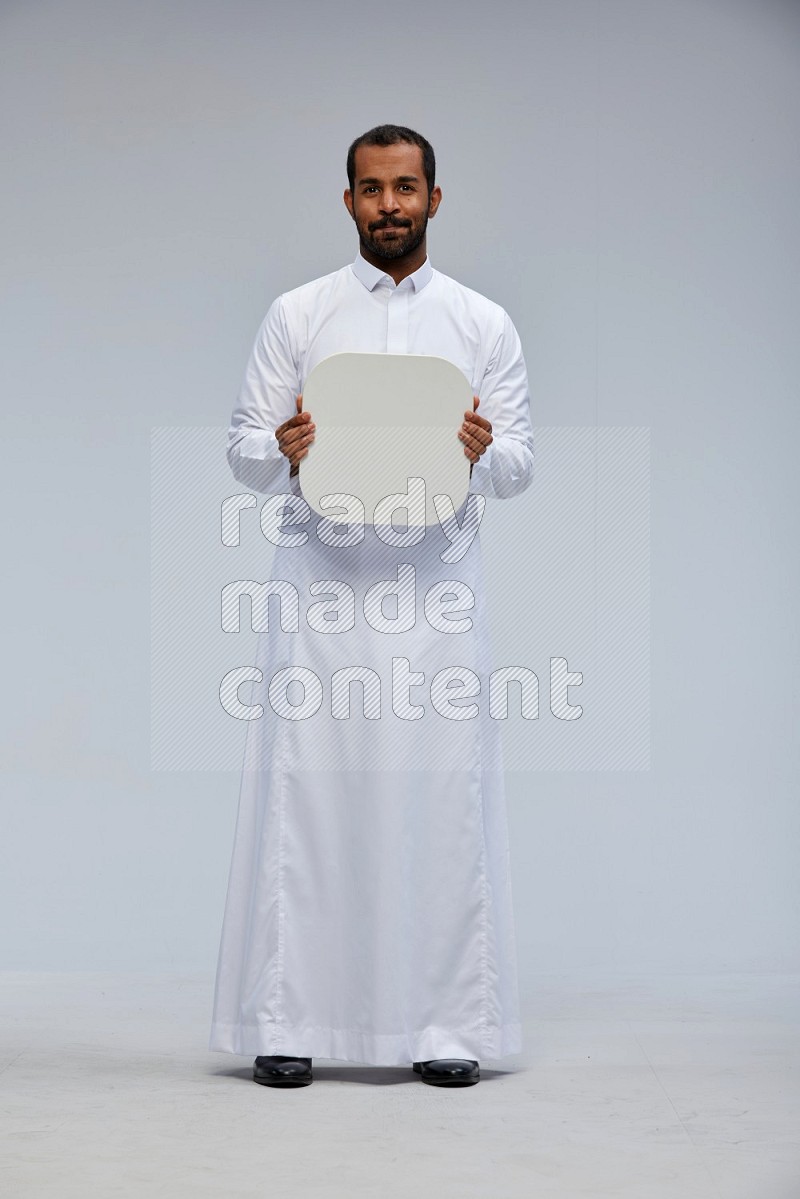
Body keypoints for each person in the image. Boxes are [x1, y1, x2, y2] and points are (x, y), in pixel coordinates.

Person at [210, 124, 534, 1088]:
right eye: (369, 189)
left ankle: (443, 1026)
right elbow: (242, 454)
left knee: (440, 795)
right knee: (310, 792)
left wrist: (481, 448)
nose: (388, 205)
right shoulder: (298, 315)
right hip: (321, 586)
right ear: (347, 201)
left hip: (435, 592)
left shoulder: (483, 324)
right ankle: (289, 1016)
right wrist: (285, 439)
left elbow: (519, 466)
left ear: (436, 197)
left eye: (405, 188)